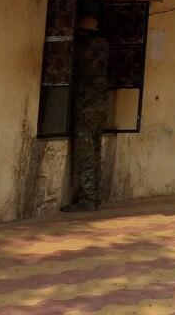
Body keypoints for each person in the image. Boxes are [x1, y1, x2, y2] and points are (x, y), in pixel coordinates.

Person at [62, 14, 109, 211]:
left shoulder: (83, 49)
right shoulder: (104, 47)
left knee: (86, 154)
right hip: (100, 107)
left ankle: (87, 199)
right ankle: (95, 197)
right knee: (95, 153)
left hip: (85, 107)